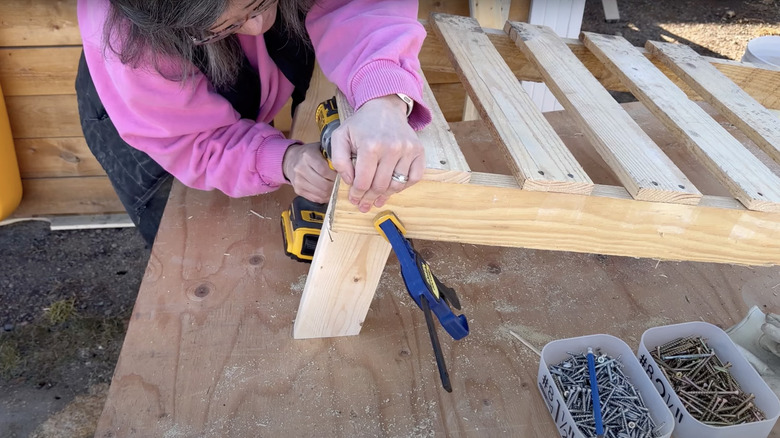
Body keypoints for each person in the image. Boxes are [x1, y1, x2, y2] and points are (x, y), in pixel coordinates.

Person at [75, 0, 432, 246]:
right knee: (189, 243)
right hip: (156, 118)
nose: (262, 26)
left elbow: (358, 6)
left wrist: (383, 97)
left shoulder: (256, 19)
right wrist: (283, 159)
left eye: (260, 3)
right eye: (232, 23)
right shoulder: (126, 39)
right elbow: (193, 143)